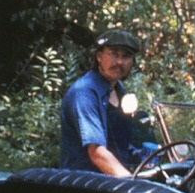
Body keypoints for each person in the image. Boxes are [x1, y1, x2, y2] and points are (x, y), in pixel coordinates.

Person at [59, 29, 145, 175]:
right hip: (84, 185)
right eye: (113, 54)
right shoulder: (85, 92)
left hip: (112, 181)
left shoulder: (118, 88)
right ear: (99, 56)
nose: (119, 62)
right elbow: (97, 153)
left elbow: (118, 143)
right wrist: (131, 183)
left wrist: (146, 156)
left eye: (126, 56)